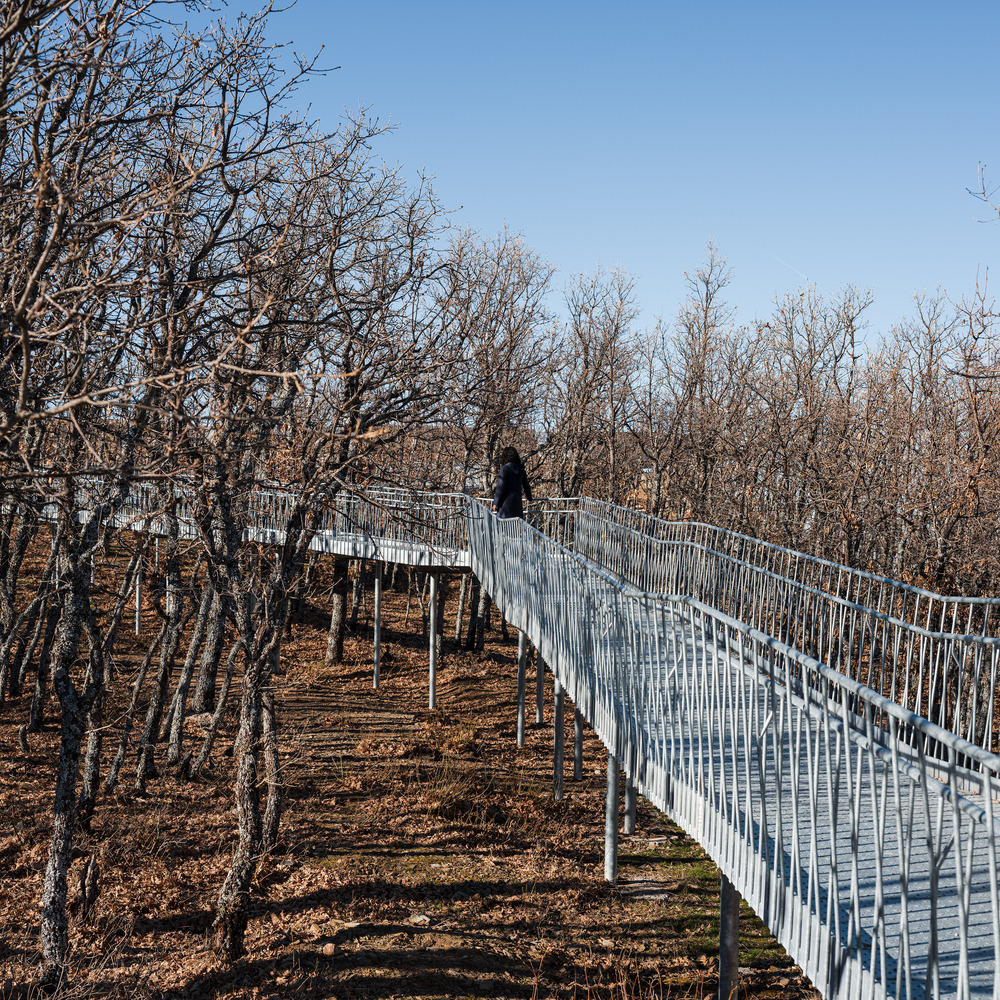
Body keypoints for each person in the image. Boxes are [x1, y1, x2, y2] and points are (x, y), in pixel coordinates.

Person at [492, 446, 533, 519]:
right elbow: (526, 485)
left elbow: (500, 487)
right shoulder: (521, 469)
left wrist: (495, 503)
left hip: (505, 506)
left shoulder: (504, 469)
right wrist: (529, 497)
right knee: (515, 528)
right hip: (517, 504)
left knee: (503, 528)